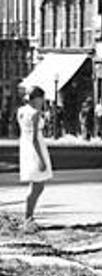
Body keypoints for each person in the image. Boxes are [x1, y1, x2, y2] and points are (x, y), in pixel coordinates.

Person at [17, 87, 51, 231]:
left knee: (36, 184)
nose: (42, 101)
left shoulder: (21, 111)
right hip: (35, 147)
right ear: (36, 98)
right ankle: (28, 218)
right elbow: (35, 139)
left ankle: (29, 217)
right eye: (41, 98)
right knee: (38, 185)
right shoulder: (35, 114)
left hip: (25, 146)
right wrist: (41, 159)